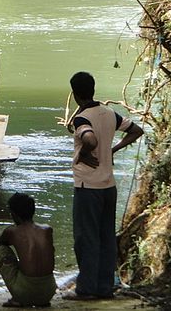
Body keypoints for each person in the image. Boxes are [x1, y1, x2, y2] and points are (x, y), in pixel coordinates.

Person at [63, 71, 144, 301]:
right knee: (106, 237)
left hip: (87, 186)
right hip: (109, 186)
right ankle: (104, 287)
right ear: (93, 89)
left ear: (76, 94)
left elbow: (89, 138)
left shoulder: (82, 118)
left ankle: (87, 289)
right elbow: (136, 130)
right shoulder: (110, 114)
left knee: (86, 238)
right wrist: (113, 149)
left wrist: (87, 151)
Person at [0, 193, 57, 308]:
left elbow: (1, 241)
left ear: (14, 214)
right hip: (49, 291)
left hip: (23, 293)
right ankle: (40, 300)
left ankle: (17, 299)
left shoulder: (12, 231)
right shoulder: (47, 229)